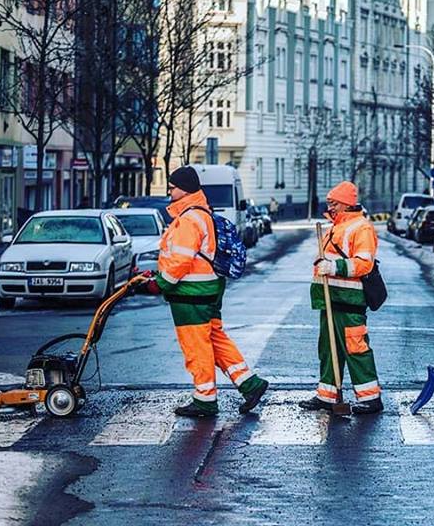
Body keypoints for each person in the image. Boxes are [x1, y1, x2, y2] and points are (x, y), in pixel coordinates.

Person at [146, 166, 269, 418]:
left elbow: (180, 259)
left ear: (185, 188)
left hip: (191, 293)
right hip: (208, 288)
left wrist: (161, 283)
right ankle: (250, 384)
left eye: (172, 186)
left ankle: (204, 399)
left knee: (196, 347)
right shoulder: (201, 214)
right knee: (215, 340)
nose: (169, 190)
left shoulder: (189, 219)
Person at [298, 181, 383, 414]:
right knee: (328, 348)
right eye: (328, 203)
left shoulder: (361, 227)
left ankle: (371, 397)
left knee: (355, 348)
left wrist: (333, 267)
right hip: (330, 299)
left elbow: (365, 263)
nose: (330, 207)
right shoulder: (336, 226)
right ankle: (327, 395)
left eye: (333, 203)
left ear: (345, 203)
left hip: (349, 300)